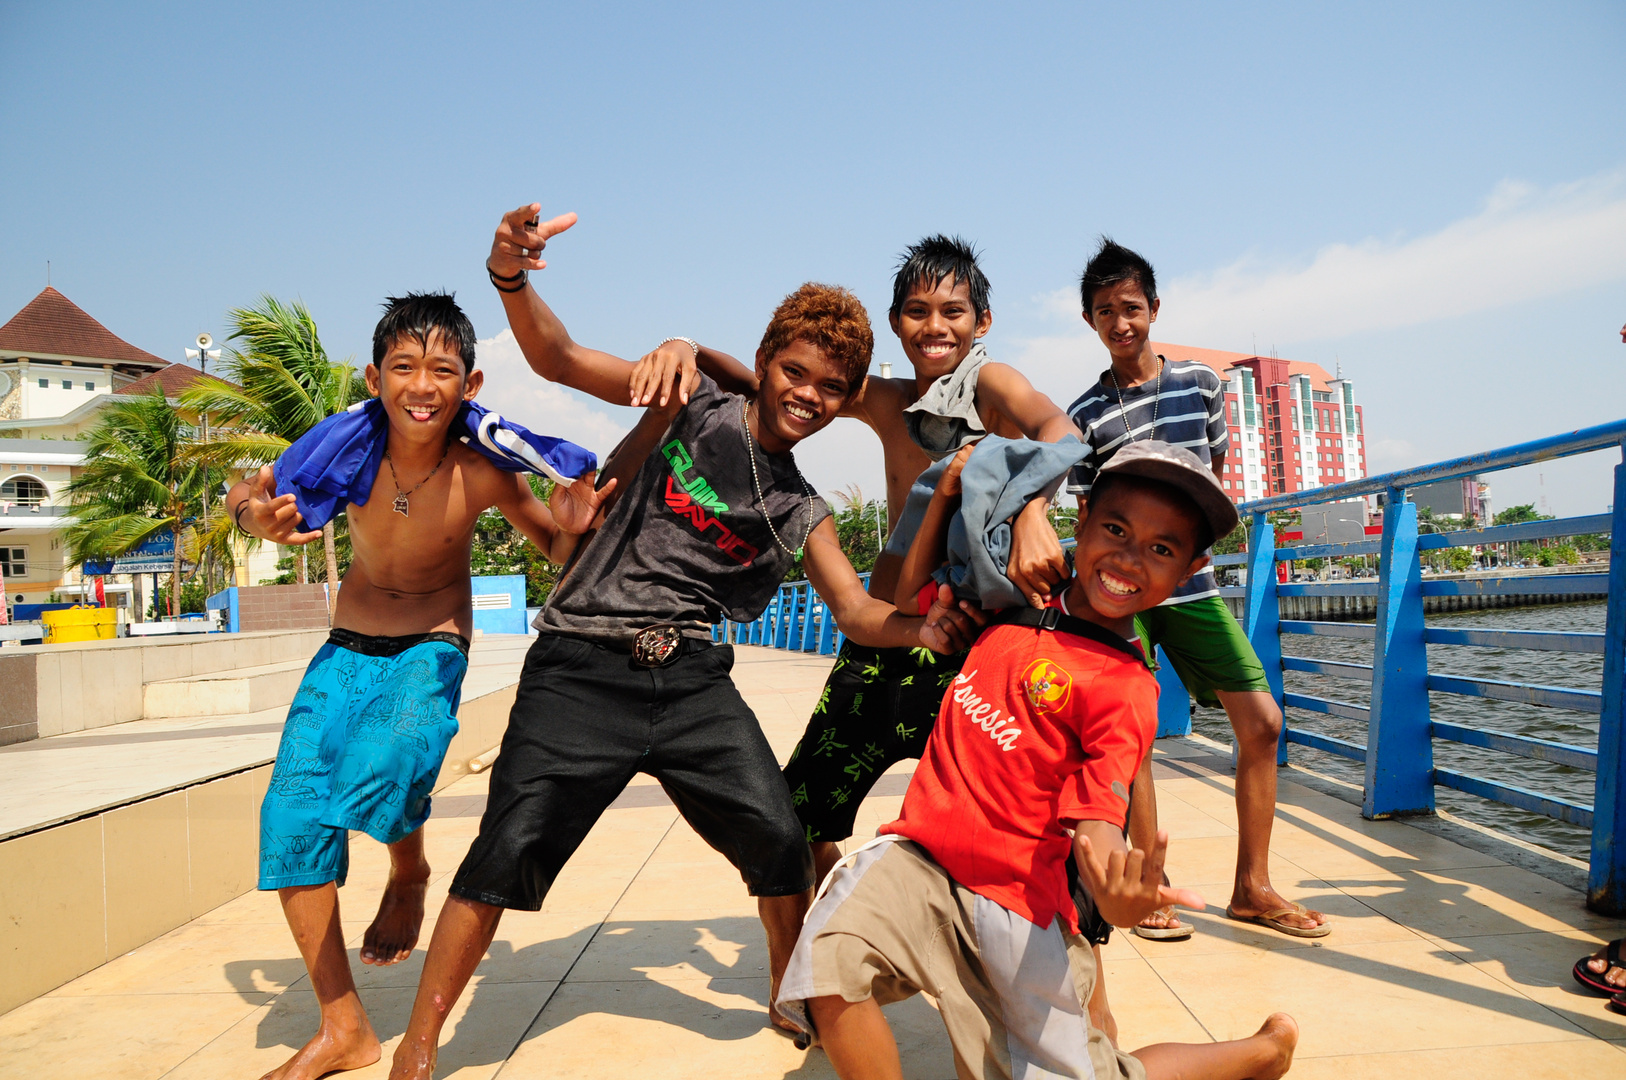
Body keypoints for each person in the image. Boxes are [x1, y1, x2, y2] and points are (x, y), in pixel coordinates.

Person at [384, 206, 983, 1079]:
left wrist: (919, 627)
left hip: (691, 677)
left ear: (846, 397)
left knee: (780, 834)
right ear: (769, 359)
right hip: (580, 666)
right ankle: (419, 1043)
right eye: (793, 371)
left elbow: (854, 611)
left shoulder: (798, 504)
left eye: (827, 387)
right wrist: (511, 278)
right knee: (501, 852)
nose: (805, 396)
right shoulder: (689, 398)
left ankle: (790, 986)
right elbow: (559, 358)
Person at [776, 440, 1299, 1080]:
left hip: (1021, 901)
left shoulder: (1126, 686)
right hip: (922, 859)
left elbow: (1101, 814)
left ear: (1191, 569)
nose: (1130, 558)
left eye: (1162, 550)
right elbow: (911, 593)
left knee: (1097, 1073)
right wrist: (949, 494)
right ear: (1078, 522)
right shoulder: (1011, 597)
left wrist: (1119, 895)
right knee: (830, 962)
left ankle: (1261, 1051)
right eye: (1115, 529)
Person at [229, 292, 616, 1080]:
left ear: (469, 385)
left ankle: (409, 871)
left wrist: (577, 522)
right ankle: (344, 1027)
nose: (422, 385)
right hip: (347, 643)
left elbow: (558, 553)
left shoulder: (482, 466)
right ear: (375, 377)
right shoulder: (341, 452)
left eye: (442, 370)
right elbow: (249, 489)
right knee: (290, 818)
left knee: (391, 758)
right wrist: (251, 518)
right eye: (403, 367)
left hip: (432, 644)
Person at [636, 234, 1078, 885]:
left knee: (1004, 815)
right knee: (801, 816)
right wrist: (688, 348)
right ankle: (843, 941)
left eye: (953, 311)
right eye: (917, 311)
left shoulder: (991, 383)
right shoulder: (888, 399)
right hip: (891, 627)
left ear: (981, 322)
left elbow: (1057, 430)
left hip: (979, 634)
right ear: (896, 322)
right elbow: (769, 380)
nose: (935, 327)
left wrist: (1034, 510)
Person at [1059, 239, 1328, 939]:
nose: (1121, 323)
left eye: (1131, 308)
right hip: (1121, 593)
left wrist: (1182, 559)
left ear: (1154, 309)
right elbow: (1089, 515)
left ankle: (1253, 886)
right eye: (1105, 313)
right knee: (1135, 735)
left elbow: (1209, 483)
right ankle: (1150, 888)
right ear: (1090, 322)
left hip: (1192, 584)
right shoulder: (1084, 414)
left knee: (1263, 721)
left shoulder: (1201, 387)